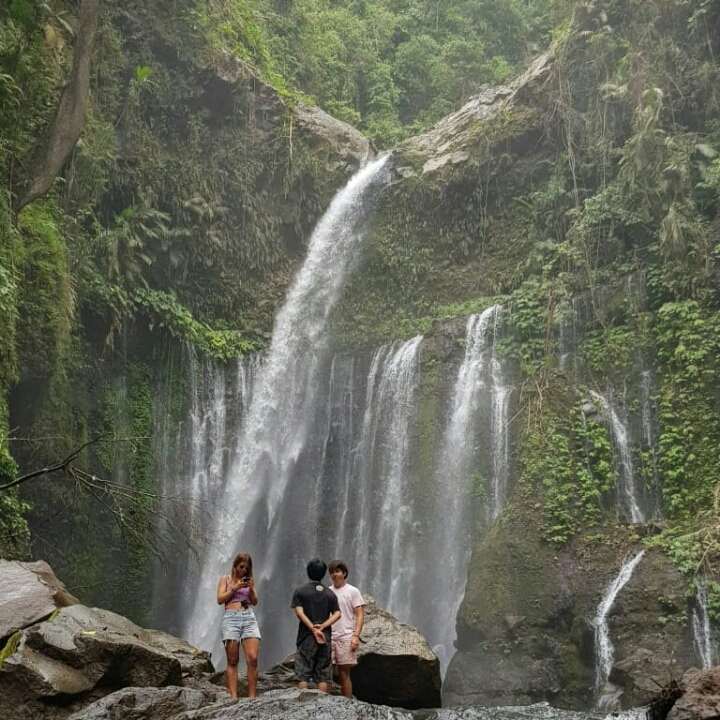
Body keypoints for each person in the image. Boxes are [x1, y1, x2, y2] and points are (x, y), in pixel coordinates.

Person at [291, 557, 341, 693]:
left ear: (308, 572)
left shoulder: (300, 591)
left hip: (306, 636)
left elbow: (299, 613)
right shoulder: (330, 593)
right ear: (324, 573)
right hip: (324, 636)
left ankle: (301, 706)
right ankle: (323, 708)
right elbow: (337, 614)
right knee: (323, 673)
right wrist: (323, 626)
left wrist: (312, 628)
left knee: (303, 670)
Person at [216, 552, 261, 699]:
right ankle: (234, 697)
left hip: (248, 617)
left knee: (253, 658)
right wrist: (234, 588)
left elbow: (254, 601)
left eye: (247, 568)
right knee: (233, 660)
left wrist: (252, 588)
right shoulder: (226, 579)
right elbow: (220, 599)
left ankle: (252, 697)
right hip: (231, 618)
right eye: (241, 567)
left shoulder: (249, 581)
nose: (244, 570)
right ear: (235, 566)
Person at [328, 559, 365, 698]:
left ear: (344, 573)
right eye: (331, 572)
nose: (334, 575)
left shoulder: (353, 591)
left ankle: (347, 706)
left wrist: (356, 636)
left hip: (346, 637)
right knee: (326, 674)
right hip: (329, 637)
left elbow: (360, 614)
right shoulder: (327, 591)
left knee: (344, 674)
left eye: (337, 571)